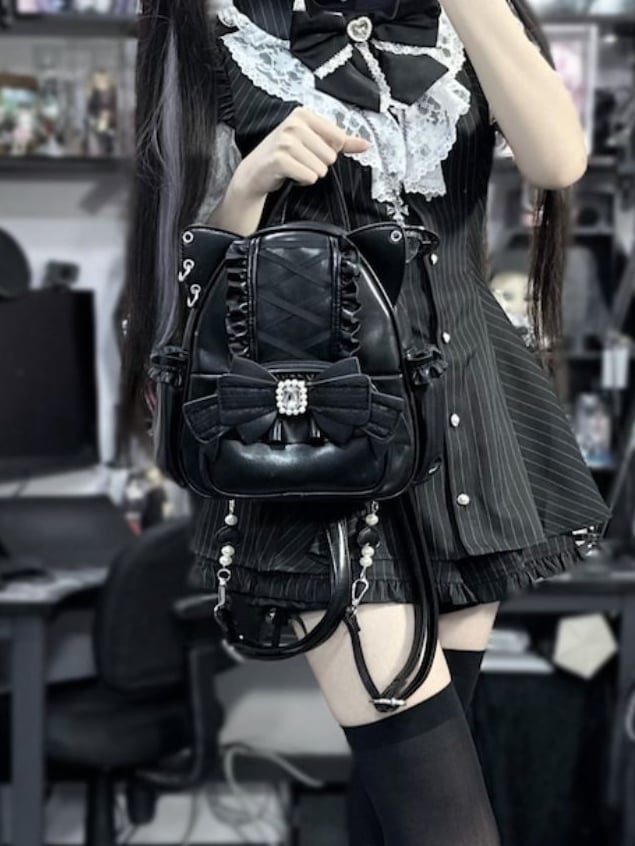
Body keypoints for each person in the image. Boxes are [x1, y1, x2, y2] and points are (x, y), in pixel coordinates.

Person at [119, 1, 612, 843]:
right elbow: (179, 270)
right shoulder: (219, 17)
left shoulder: (460, 15)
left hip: (465, 427)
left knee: (401, 808)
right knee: (443, 823)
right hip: (323, 442)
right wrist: (248, 187)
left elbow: (557, 158)